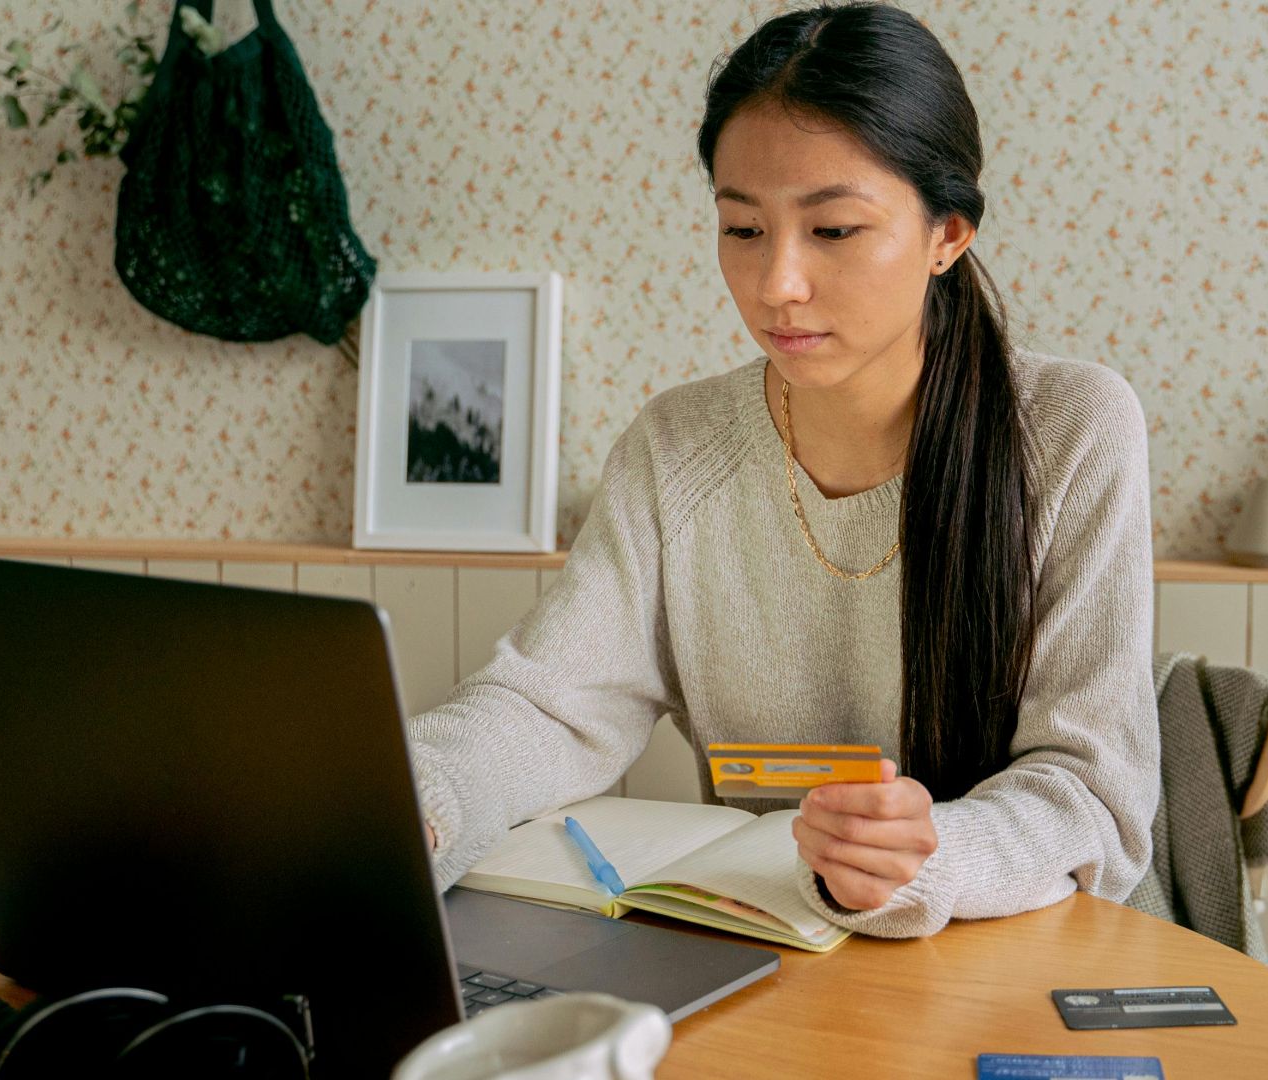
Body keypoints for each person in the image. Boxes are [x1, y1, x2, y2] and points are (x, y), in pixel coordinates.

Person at [407, 1, 1159, 939]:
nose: (777, 286)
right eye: (743, 229)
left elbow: (1090, 791)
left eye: (833, 230)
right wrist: (416, 800)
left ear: (948, 235)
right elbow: (552, 708)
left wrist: (927, 857)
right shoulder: (676, 445)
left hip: (1018, 955)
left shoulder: (1072, 429)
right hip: (773, 955)